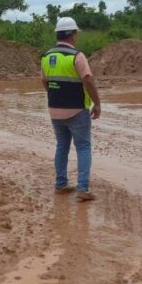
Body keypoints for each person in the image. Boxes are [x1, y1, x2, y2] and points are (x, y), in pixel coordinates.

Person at [41, 17, 102, 201]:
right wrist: (96, 103)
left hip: (54, 110)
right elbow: (88, 79)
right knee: (83, 147)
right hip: (76, 111)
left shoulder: (46, 57)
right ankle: (83, 189)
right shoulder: (77, 56)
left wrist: (57, 99)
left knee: (62, 146)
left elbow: (45, 82)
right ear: (72, 34)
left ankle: (60, 184)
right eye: (76, 33)